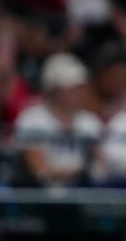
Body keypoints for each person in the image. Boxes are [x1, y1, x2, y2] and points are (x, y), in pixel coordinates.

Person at [13, 53, 102, 187]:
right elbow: (40, 171)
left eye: (80, 88)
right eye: (72, 89)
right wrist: (79, 172)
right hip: (42, 198)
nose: (79, 93)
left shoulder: (90, 122)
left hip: (82, 195)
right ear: (54, 89)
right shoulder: (31, 120)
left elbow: (100, 168)